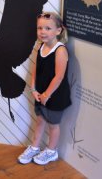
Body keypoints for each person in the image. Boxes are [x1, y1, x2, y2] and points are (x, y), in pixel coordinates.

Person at [18, 12, 71, 165]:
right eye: (40, 28)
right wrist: (33, 89)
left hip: (55, 96)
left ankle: (51, 151)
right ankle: (34, 147)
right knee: (40, 120)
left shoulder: (60, 50)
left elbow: (59, 76)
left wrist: (47, 94)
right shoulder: (40, 47)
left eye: (48, 28)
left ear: (58, 31)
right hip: (40, 95)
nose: (42, 31)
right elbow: (36, 69)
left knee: (53, 125)